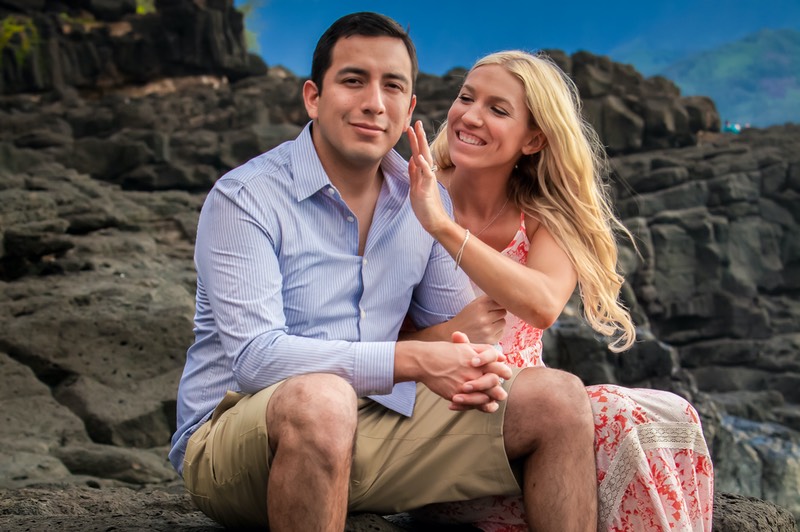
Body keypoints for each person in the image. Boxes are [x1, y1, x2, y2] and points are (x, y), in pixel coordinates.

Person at [169, 13, 599, 532]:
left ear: (410, 107)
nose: (374, 101)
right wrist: (415, 358)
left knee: (558, 398)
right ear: (313, 97)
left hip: (373, 430)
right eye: (353, 80)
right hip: (238, 439)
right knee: (322, 399)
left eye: (392, 86)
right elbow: (256, 361)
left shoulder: (423, 202)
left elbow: (460, 341)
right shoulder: (246, 198)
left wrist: (465, 361)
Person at [403, 50, 714, 531]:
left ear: (534, 139)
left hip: (539, 423)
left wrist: (443, 227)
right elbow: (366, 339)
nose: (470, 115)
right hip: (435, 423)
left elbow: (542, 303)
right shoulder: (405, 196)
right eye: (467, 98)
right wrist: (448, 333)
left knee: (669, 413)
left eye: (498, 109)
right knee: (616, 414)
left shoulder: (546, 215)